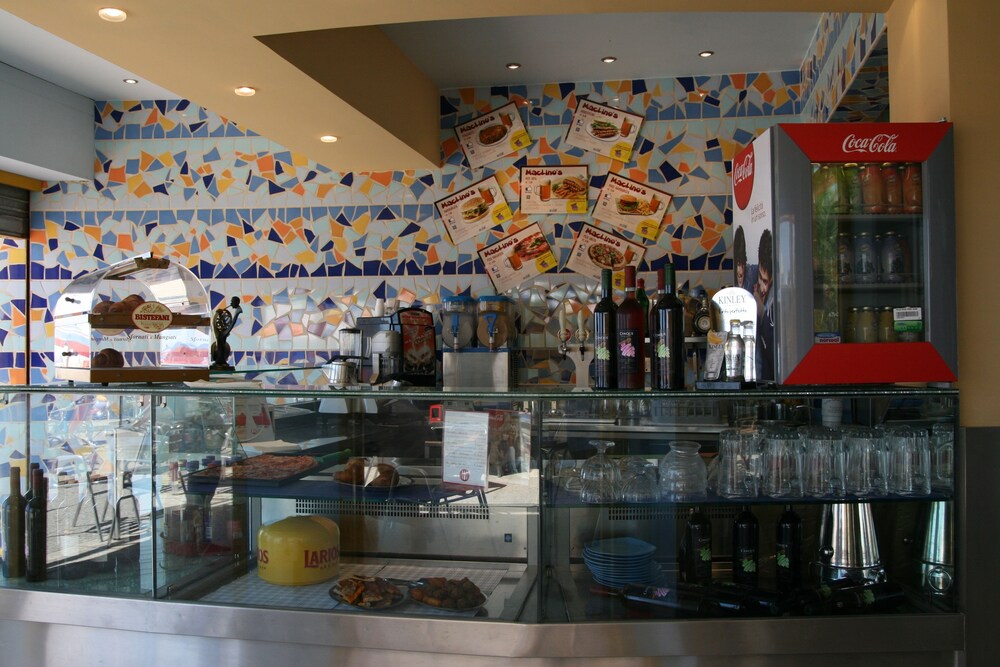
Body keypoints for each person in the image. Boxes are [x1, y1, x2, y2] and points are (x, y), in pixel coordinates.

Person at [754, 229, 775, 382]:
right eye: (760, 279)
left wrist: (761, 313)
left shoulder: (774, 308)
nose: (762, 288)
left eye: (765, 281)